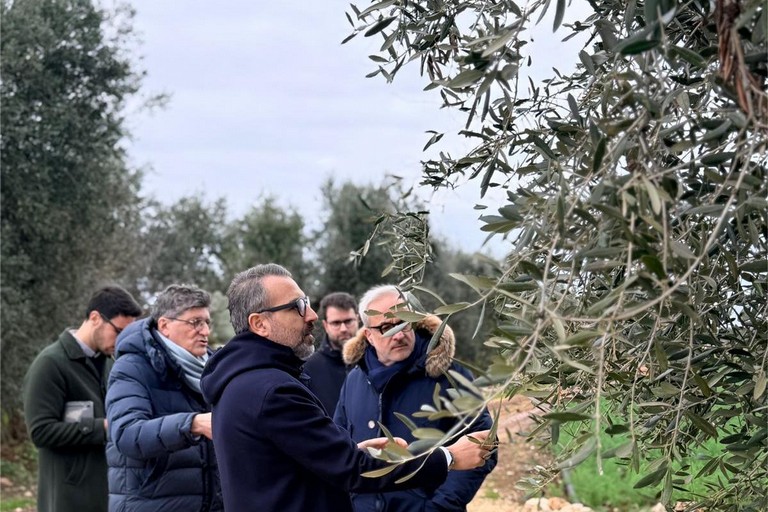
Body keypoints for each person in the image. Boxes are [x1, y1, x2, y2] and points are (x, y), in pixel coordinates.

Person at [200, 263, 494, 512]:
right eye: (298, 306)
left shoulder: (241, 382)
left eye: (404, 323)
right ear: (260, 323)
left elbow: (299, 463)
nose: (312, 315)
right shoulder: (273, 390)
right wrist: (448, 457)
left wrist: (352, 451)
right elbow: (352, 469)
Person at [334, 284, 497, 511]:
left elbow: (484, 441)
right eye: (386, 327)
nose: (399, 334)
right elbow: (341, 445)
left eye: (404, 322)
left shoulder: (449, 375)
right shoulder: (354, 380)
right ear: (369, 336)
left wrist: (439, 507)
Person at [23, 285, 143, 512]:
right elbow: (40, 432)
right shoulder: (50, 364)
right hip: (68, 498)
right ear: (95, 318)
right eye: (118, 331)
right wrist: (104, 427)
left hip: (110, 494)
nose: (122, 341)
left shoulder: (112, 365)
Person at [105, 284, 223, 511]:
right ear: (165, 325)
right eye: (195, 322)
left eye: (207, 322)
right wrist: (192, 424)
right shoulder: (131, 367)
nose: (205, 331)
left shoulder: (215, 369)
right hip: (150, 504)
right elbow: (126, 434)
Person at [303, 291, 359, 413]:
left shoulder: (375, 359)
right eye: (336, 323)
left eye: (348, 321)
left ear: (358, 319)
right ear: (326, 325)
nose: (343, 329)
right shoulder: (308, 369)